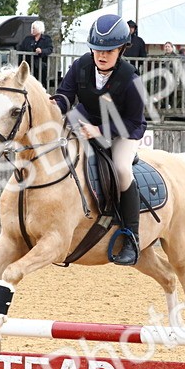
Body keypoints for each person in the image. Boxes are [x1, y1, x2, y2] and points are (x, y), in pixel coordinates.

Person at [52, 14, 147, 266]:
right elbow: (65, 96)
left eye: (109, 51)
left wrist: (101, 131)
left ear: (122, 50)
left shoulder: (130, 79)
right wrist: (54, 106)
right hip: (84, 119)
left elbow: (134, 121)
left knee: (122, 169)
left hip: (124, 129)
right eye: (97, 50)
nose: (102, 56)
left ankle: (131, 237)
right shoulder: (81, 65)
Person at [16, 20, 54, 86]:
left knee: (40, 84)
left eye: (34, 28)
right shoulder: (27, 39)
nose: (32, 30)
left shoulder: (46, 39)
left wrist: (41, 51)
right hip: (28, 65)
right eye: (32, 28)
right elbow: (21, 49)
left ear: (39, 28)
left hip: (40, 67)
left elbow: (50, 49)